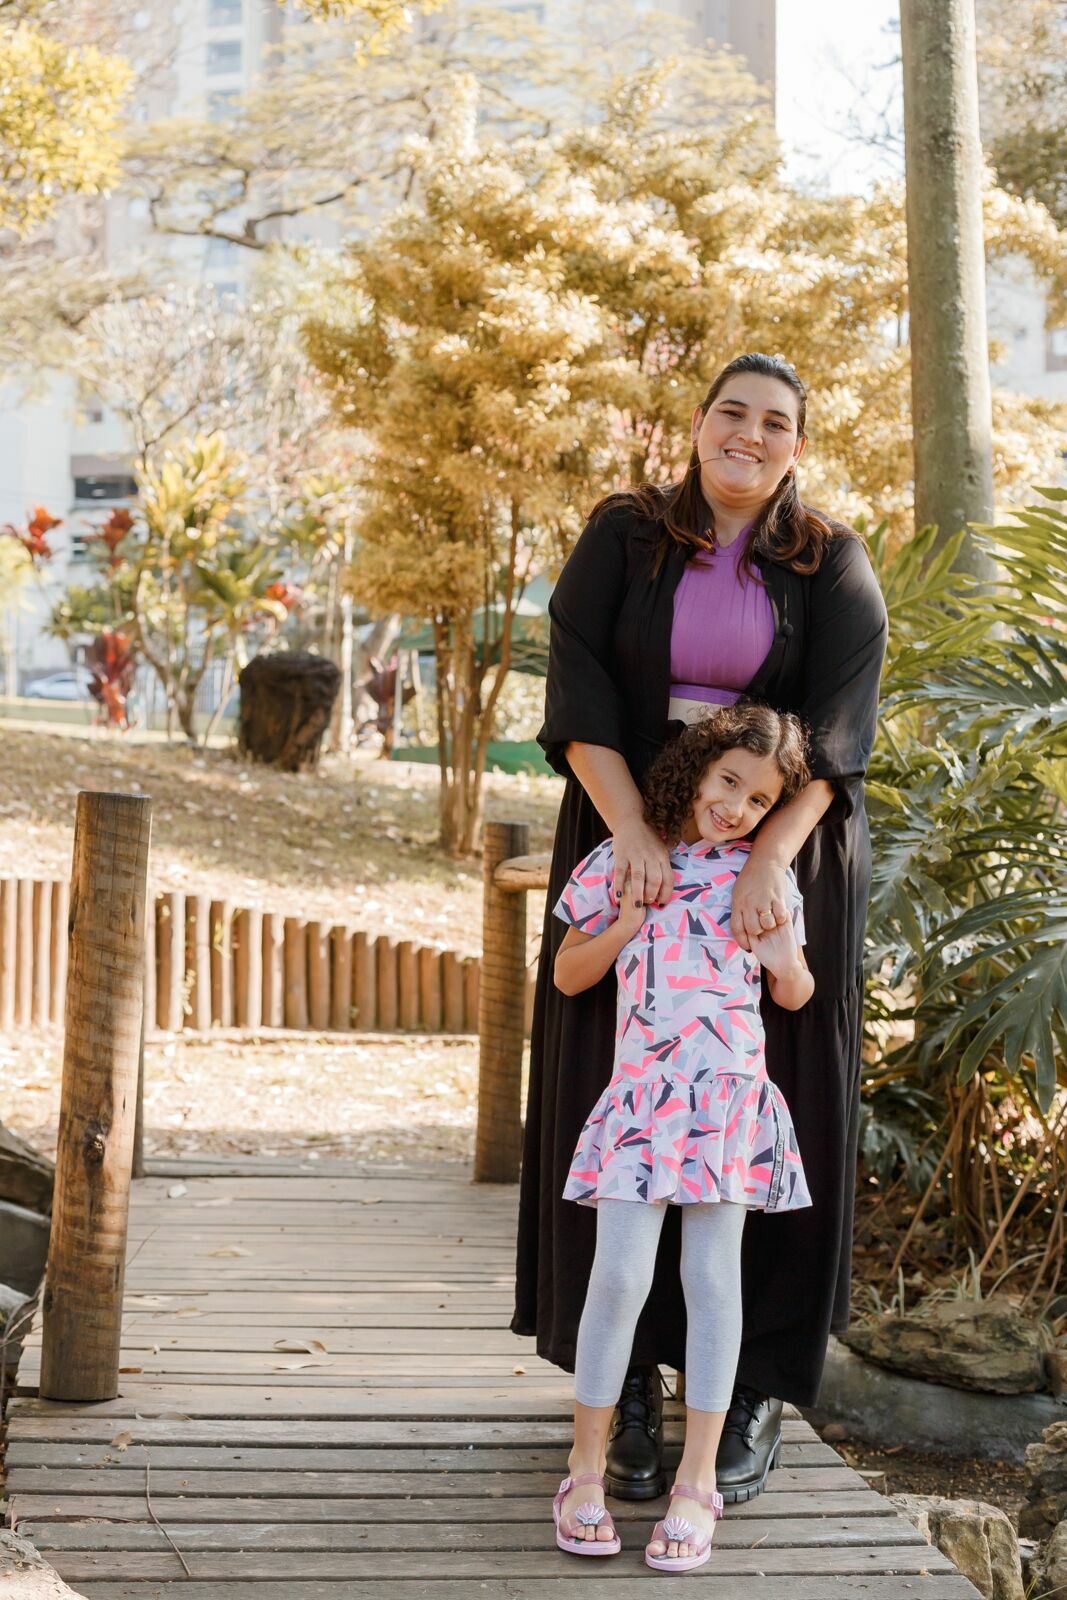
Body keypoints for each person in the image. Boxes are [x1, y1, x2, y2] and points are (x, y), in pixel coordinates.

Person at [513, 351, 888, 1504]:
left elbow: (837, 738)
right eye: (731, 410)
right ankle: (615, 1375)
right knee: (605, 1071)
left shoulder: (830, 561)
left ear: (796, 444)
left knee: (772, 1101)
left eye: (775, 421)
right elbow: (575, 689)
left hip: (780, 849)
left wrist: (763, 861)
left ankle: (753, 1382)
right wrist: (632, 835)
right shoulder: (621, 533)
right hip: (633, 823)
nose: (749, 432)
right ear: (695, 421)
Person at [551, 707, 813, 1572]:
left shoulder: (762, 881)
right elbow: (565, 971)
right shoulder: (631, 858)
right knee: (620, 1274)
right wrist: (626, 922)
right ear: (697, 770)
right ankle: (582, 1471)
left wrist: (781, 955)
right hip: (643, 1102)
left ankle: (695, 1484)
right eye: (728, 781)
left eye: (759, 797)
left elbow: (796, 994)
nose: (736, 805)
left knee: (710, 1277)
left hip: (728, 1104)